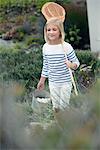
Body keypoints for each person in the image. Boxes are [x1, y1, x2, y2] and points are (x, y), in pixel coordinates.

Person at [37, 18, 80, 113]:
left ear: (60, 32)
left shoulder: (66, 47)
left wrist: (71, 65)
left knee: (64, 106)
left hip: (65, 82)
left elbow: (76, 63)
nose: (51, 32)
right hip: (53, 82)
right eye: (48, 30)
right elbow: (46, 65)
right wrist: (42, 80)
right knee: (56, 107)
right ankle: (58, 124)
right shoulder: (45, 47)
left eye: (54, 29)